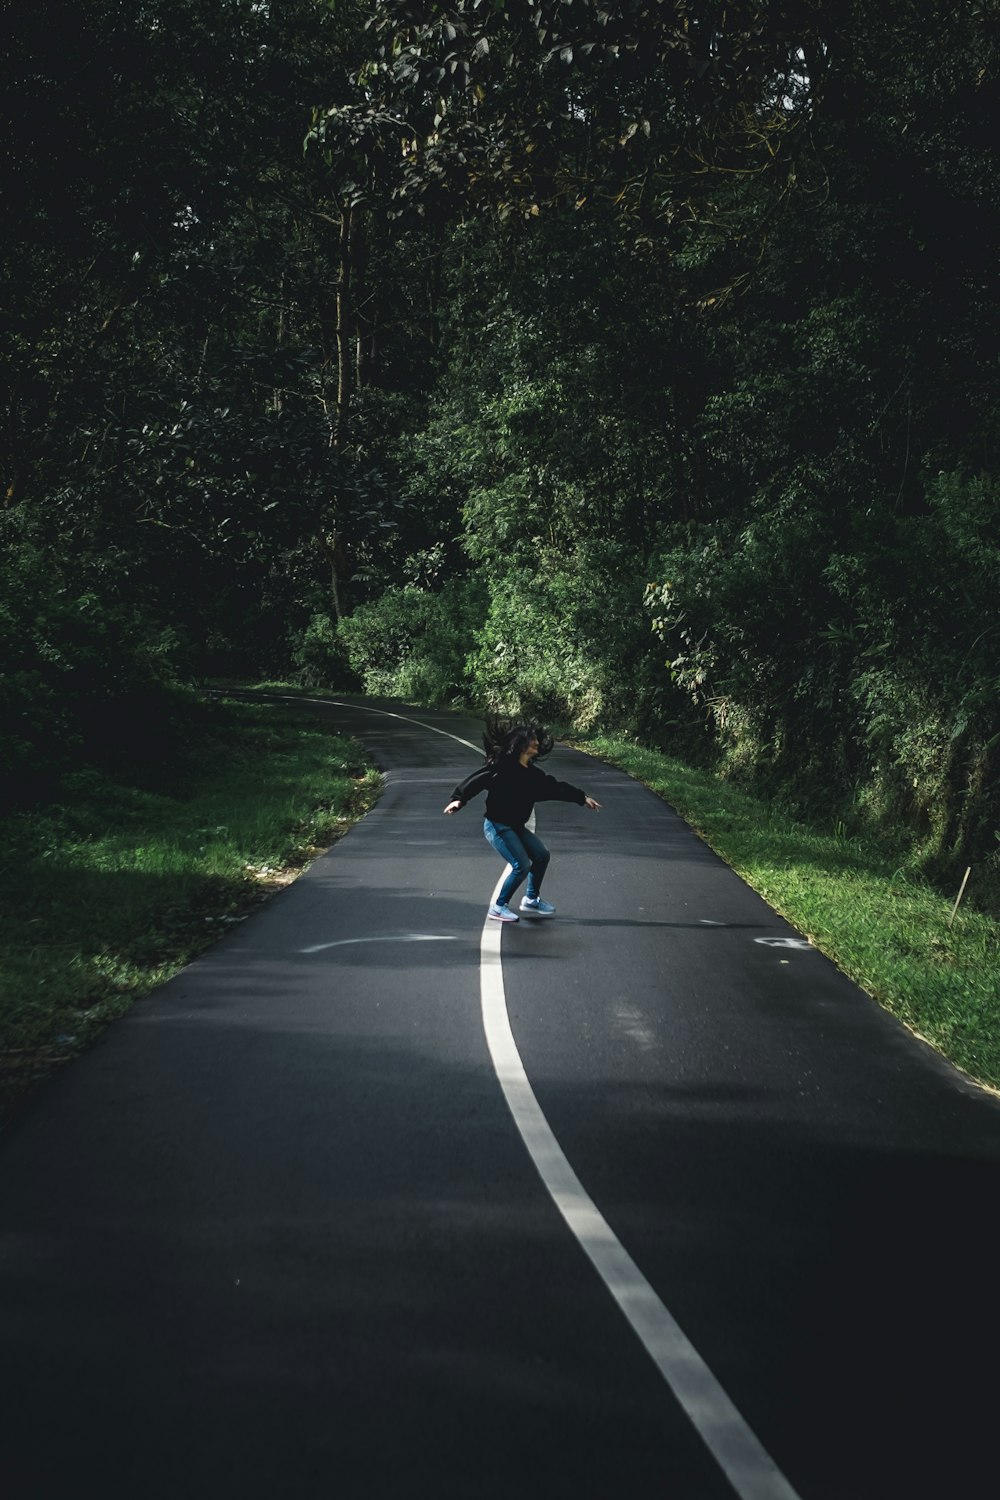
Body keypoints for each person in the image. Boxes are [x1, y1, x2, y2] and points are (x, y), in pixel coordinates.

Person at [443, 719, 601, 923]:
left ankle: (531, 899)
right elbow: (477, 780)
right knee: (521, 865)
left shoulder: (533, 775)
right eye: (532, 740)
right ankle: (498, 907)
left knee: (542, 855)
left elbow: (556, 787)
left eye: (536, 740)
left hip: (516, 827)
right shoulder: (501, 768)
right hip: (498, 826)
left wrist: (582, 798)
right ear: (521, 744)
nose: (537, 743)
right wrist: (459, 799)